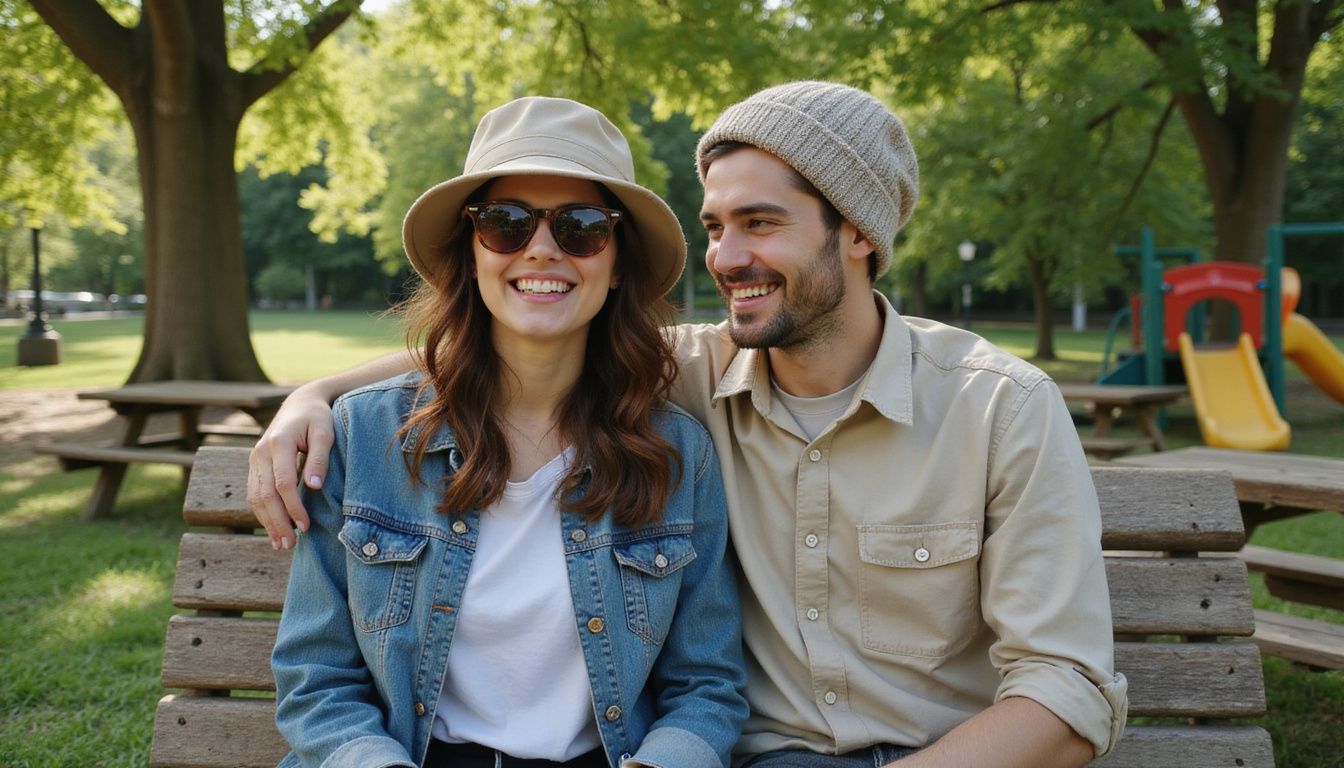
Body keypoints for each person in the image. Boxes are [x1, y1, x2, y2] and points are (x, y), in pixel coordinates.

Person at [254, 82, 1127, 767]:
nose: (727, 258)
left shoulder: (996, 407)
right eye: (715, 227)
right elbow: (522, 331)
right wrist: (313, 397)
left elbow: (1067, 689)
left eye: (761, 223)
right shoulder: (690, 371)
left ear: (859, 232)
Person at [268, 96, 748, 768]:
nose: (543, 249)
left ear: (616, 266)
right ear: (470, 253)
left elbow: (707, 686)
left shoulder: (676, 454)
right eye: (506, 223)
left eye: (582, 227)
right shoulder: (364, 435)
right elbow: (317, 681)